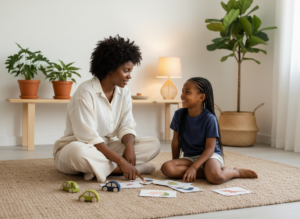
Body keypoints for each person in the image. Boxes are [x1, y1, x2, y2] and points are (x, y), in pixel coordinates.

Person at [53, 35, 160, 182]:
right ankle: (122, 170)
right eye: (126, 70)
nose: (129, 76)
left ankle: (99, 169)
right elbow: (89, 138)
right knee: (77, 152)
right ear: (110, 68)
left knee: (153, 143)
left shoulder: (124, 92)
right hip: (80, 147)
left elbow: (127, 124)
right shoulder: (85, 92)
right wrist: (122, 161)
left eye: (130, 71)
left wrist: (129, 146)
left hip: (107, 148)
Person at [161, 77, 258, 184]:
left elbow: (210, 149)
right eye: (183, 91)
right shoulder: (178, 114)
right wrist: (175, 161)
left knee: (216, 178)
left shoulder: (209, 118)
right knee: (167, 168)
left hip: (209, 156)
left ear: (201, 97)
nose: (182, 95)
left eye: (187, 92)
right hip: (190, 157)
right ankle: (207, 172)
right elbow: (176, 141)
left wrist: (194, 168)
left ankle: (236, 172)